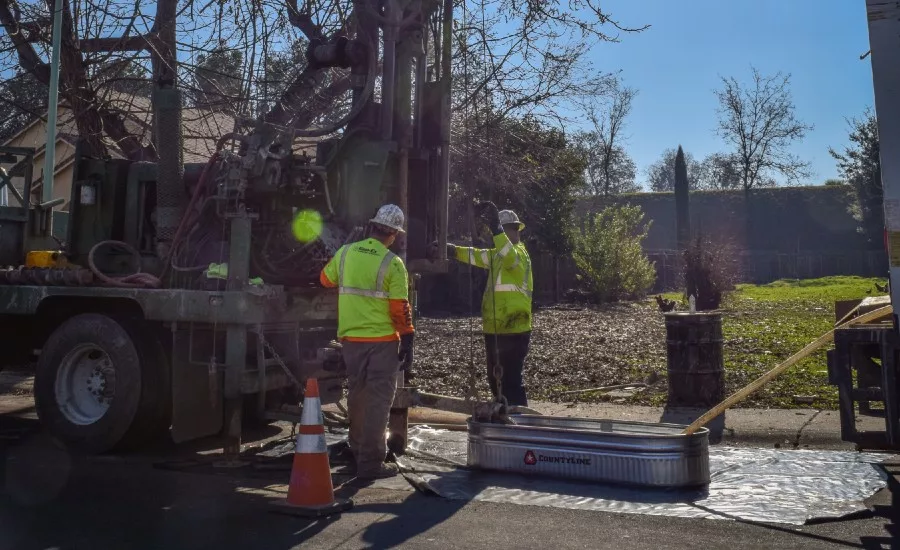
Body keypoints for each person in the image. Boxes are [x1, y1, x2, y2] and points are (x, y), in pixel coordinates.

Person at [320, 204, 414, 479]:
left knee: (358, 396)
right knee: (378, 402)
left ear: (372, 227)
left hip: (351, 341)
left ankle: (357, 448)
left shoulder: (346, 253)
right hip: (382, 342)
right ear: (393, 235)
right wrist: (407, 337)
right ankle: (370, 464)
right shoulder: (392, 264)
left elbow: (324, 280)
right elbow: (399, 309)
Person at [446, 202, 533, 406]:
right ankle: (505, 418)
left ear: (511, 231)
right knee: (496, 380)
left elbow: (509, 257)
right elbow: (476, 255)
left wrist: (496, 229)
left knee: (510, 381)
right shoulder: (497, 256)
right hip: (496, 328)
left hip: (514, 328)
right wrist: (451, 251)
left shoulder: (519, 254)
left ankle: (520, 421)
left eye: (501, 231)